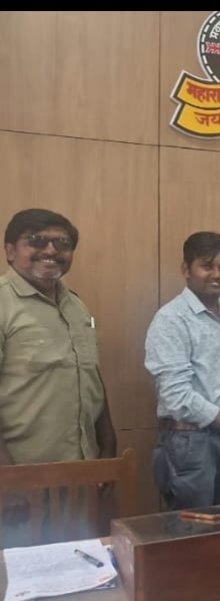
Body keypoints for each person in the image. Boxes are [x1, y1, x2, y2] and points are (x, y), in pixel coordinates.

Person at [0, 208, 116, 541]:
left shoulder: (77, 307)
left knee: (78, 562)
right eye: (36, 240)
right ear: (10, 250)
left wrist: (108, 445)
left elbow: (90, 376)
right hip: (22, 481)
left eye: (62, 243)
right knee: (22, 569)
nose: (51, 250)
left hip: (80, 472)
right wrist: (6, 477)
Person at [145, 232, 220, 510]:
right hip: (191, 442)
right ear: (186, 270)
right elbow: (175, 395)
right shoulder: (171, 319)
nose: (217, 274)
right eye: (207, 266)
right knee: (191, 528)